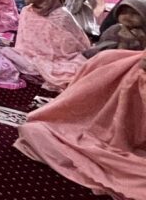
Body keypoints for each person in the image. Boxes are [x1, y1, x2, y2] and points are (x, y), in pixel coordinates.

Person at [13, 47, 146, 200]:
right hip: (95, 136)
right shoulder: (112, 63)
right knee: (35, 131)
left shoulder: (115, 65)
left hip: (110, 145)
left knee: (35, 132)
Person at [0, 0, 89, 91]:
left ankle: (38, 71)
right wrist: (34, 51)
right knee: (4, 53)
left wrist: (45, 52)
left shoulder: (61, 16)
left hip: (58, 58)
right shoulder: (27, 10)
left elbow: (73, 44)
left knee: (70, 69)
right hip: (29, 54)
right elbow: (23, 40)